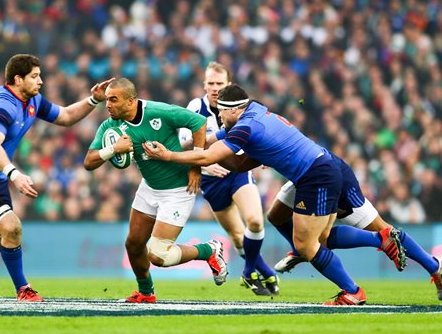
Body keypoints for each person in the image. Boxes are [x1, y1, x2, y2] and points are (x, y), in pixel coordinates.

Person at [143, 84, 394, 305]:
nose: (218, 115)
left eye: (220, 110)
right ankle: (371, 245)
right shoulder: (256, 111)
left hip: (314, 175)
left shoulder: (245, 127)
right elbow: (212, 143)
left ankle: (354, 288)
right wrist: (178, 147)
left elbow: (208, 156)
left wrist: (168, 156)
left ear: (233, 110)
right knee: (284, 219)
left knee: (309, 244)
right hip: (316, 169)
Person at [0, 54, 114, 302]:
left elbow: (65, 116)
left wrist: (92, 99)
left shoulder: (32, 100)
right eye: (35, 76)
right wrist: (15, 174)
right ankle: (23, 289)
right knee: (11, 227)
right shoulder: (2, 105)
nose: (41, 81)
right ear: (17, 79)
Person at [83, 77, 228, 303]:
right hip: (149, 188)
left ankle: (209, 250)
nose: (107, 104)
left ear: (131, 101)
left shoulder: (159, 111)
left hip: (179, 191)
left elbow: (198, 122)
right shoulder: (109, 126)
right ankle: (146, 293)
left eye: (113, 99)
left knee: (158, 256)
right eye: (107, 100)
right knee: (133, 244)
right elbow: (89, 162)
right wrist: (113, 148)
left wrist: (196, 164)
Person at [180, 62, 277, 296]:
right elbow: (184, 146)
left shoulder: (241, 107)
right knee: (236, 235)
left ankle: (250, 271)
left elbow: (262, 130)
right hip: (211, 181)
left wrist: (263, 153)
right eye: (210, 83)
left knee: (254, 221)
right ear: (204, 85)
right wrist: (206, 166)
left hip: (237, 171)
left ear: (229, 85)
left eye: (219, 84)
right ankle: (264, 271)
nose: (214, 88)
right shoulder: (194, 108)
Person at [267, 172, 442, 301]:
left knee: (316, 241)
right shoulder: (265, 131)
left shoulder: (254, 131)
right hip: (315, 174)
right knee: (276, 216)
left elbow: (243, 159)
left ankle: (430, 264)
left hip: (319, 175)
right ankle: (435, 266)